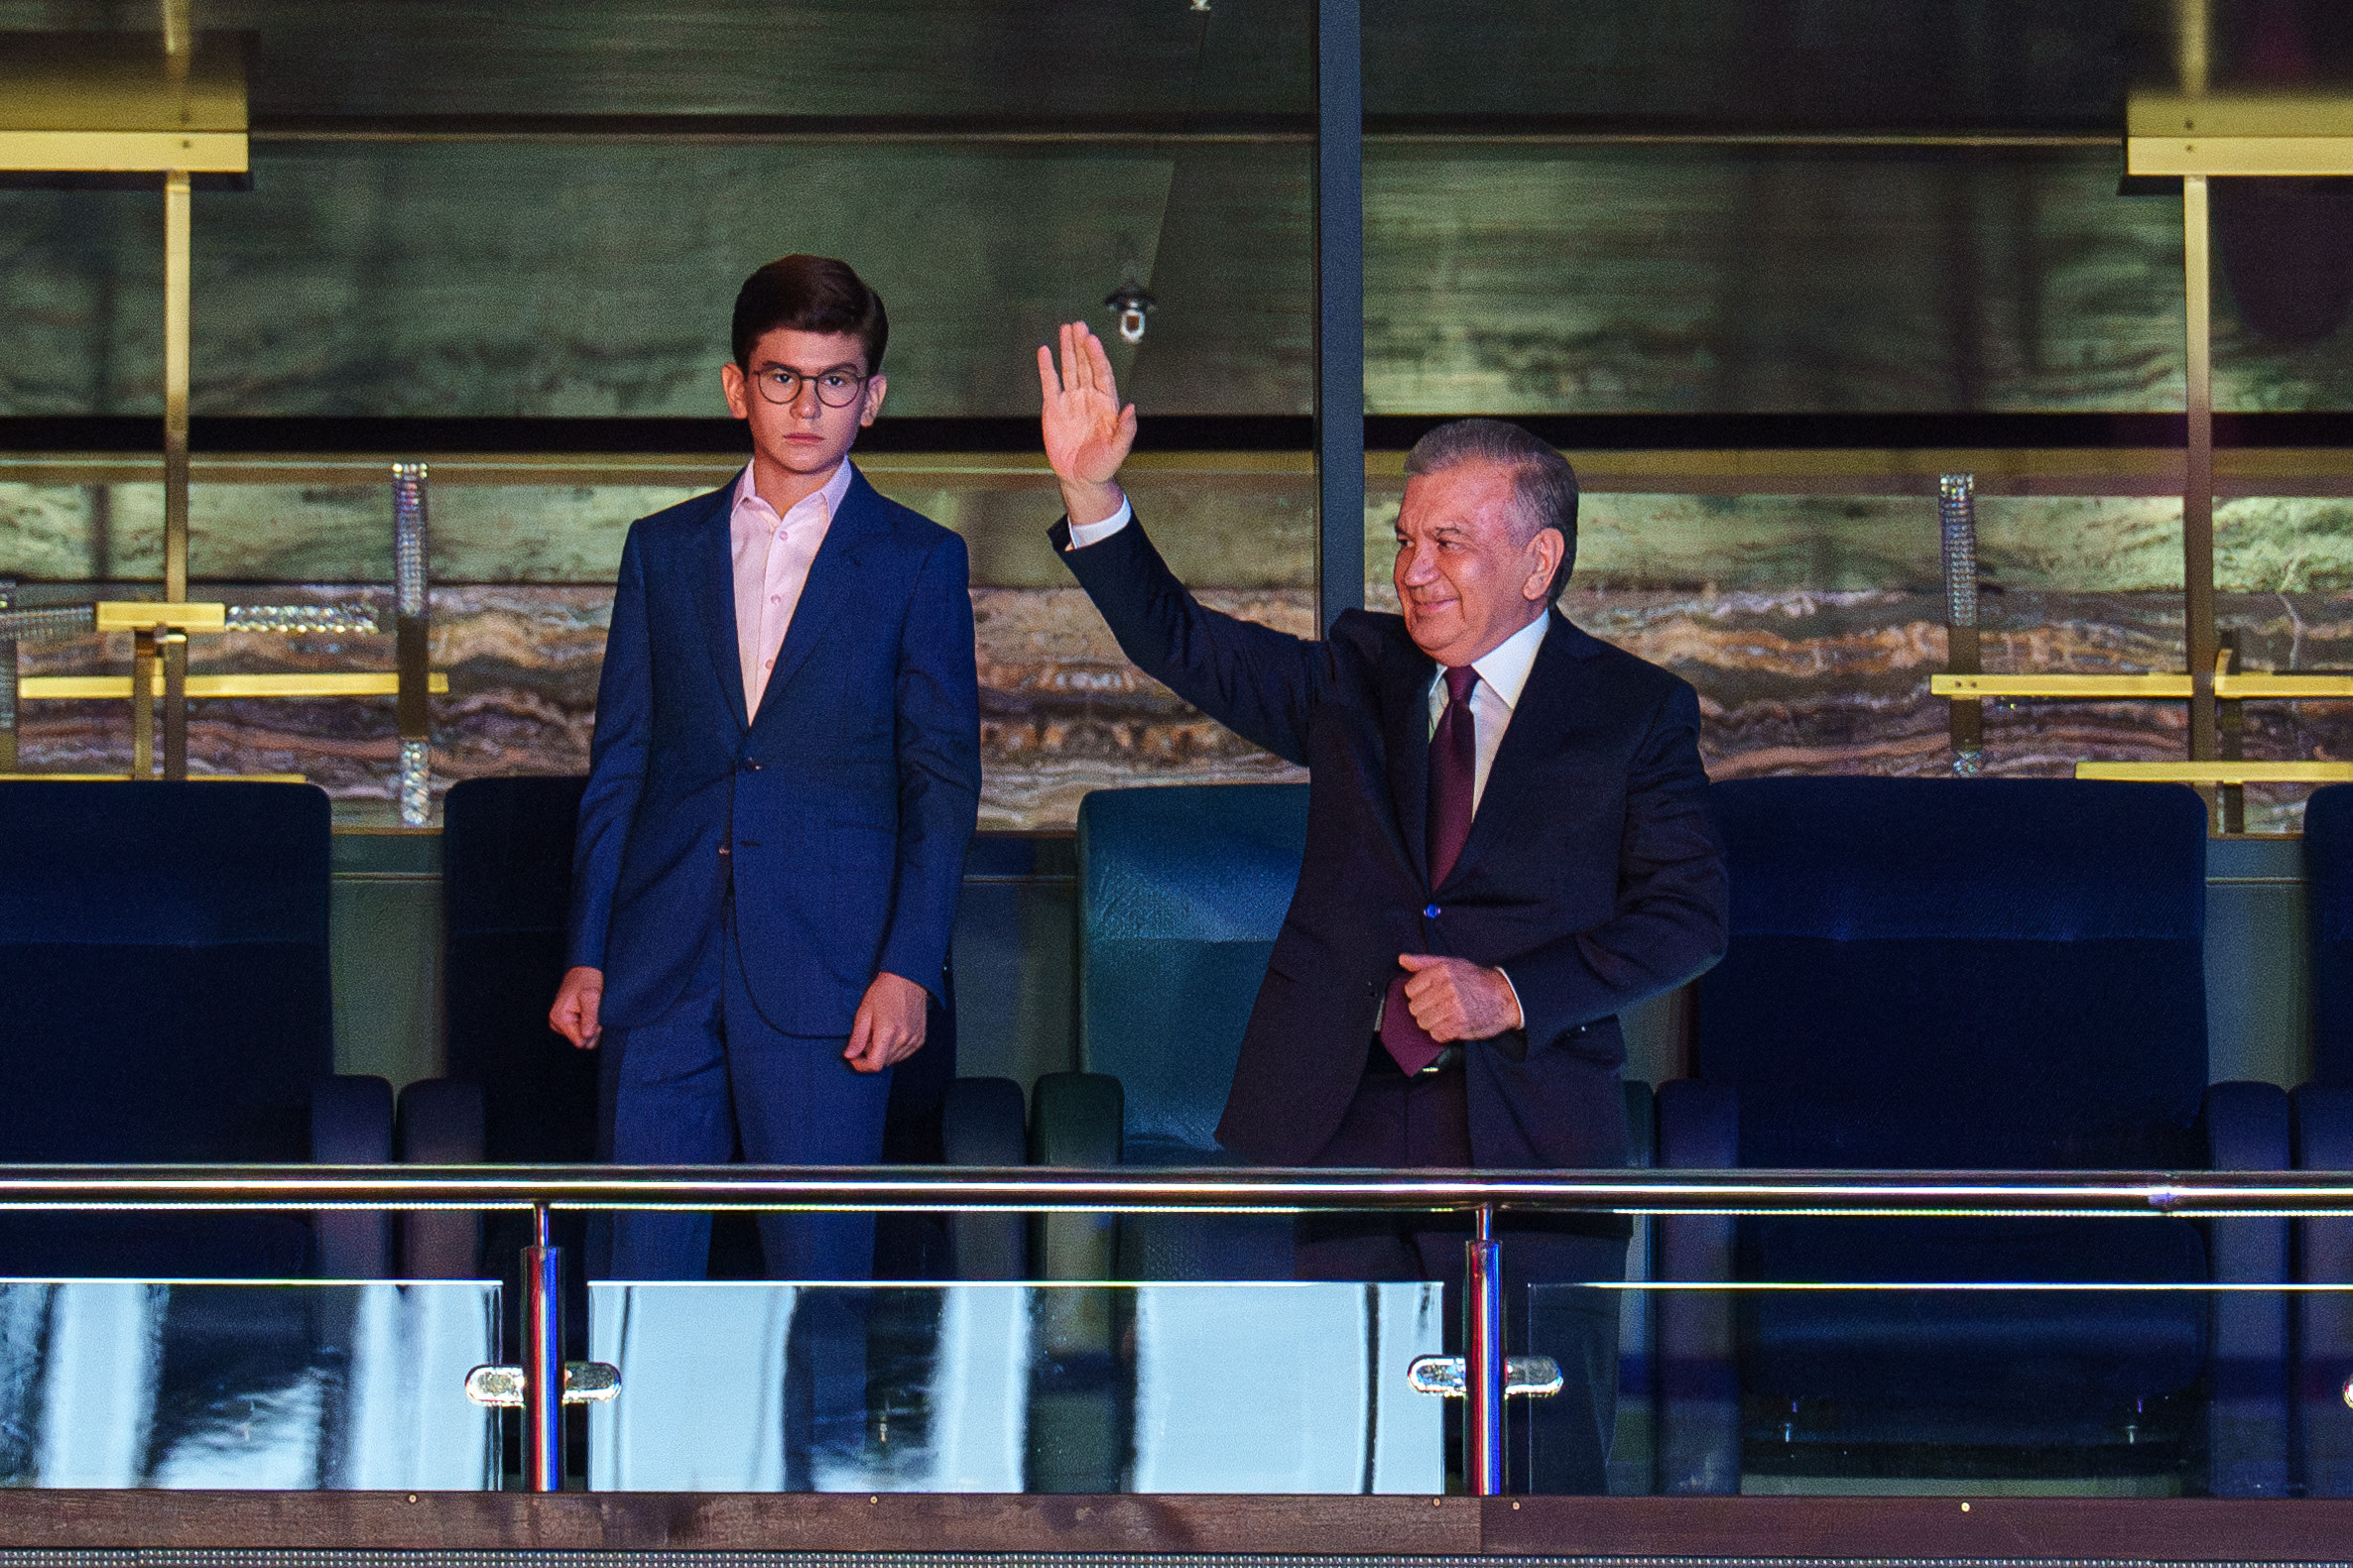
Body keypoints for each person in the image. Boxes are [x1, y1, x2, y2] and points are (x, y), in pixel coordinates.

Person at [1037, 322, 1727, 1492]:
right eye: (1405, 540)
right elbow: (1184, 646)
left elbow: (1688, 915)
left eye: (1448, 542)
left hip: (1531, 1133)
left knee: (1541, 1476)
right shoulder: (1359, 670)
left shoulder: (1633, 712)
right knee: (1357, 1464)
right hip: (1346, 1116)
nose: (1412, 570)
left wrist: (1509, 992)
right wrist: (1091, 496)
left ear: (1537, 558)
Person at [551, 255, 980, 1285]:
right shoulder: (661, 549)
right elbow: (622, 762)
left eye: (835, 380)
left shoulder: (919, 559)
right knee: (632, 1291)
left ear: (870, 398)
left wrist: (909, 967)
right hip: (657, 966)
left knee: (820, 1290)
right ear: (736, 385)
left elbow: (941, 777)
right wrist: (588, 949)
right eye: (782, 376)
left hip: (832, 973)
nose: (807, 404)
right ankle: (628, 1454)